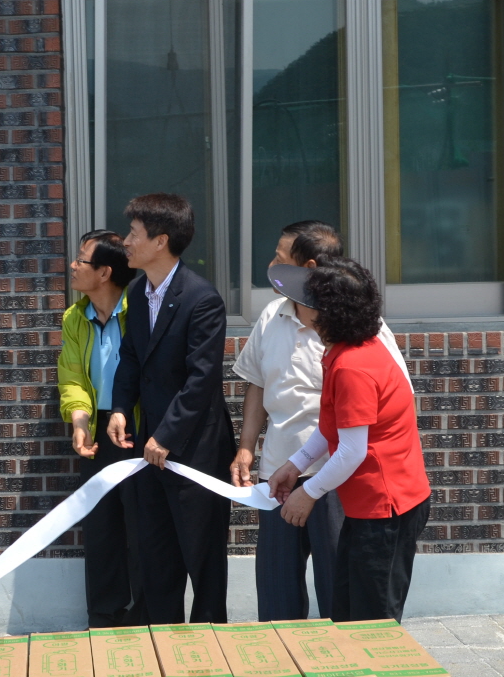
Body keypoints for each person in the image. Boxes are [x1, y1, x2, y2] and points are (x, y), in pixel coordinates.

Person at [231, 221, 410, 621]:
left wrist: (316, 485)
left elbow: (386, 407)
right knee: (277, 597)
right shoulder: (272, 315)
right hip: (280, 473)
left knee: (339, 596)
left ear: (307, 267)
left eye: (280, 258)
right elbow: (258, 385)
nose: (271, 265)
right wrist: (247, 448)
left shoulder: (359, 328)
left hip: (337, 478)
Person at [267, 258, 432, 623]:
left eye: (305, 302)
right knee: (347, 613)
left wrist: (308, 493)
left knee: (373, 621)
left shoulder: (352, 366)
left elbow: (352, 451)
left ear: (324, 314)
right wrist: (295, 465)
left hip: (386, 508)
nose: (296, 306)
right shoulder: (349, 350)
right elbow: (333, 427)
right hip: (371, 506)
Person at [108, 193, 237, 624]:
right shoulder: (136, 291)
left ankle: (209, 646)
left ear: (160, 241)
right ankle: (161, 642)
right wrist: (120, 408)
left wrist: (166, 435)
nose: (126, 242)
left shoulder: (202, 299)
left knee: (203, 558)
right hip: (150, 449)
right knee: (156, 555)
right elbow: (131, 357)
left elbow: (202, 379)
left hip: (195, 450)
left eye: (134, 234)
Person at [58, 229, 144, 627]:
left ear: (105, 272)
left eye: (81, 260)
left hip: (139, 429)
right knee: (101, 525)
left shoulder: (139, 311)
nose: (73, 266)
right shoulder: (75, 317)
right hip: (97, 430)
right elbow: (72, 377)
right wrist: (80, 421)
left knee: (143, 524)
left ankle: (146, 613)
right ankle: (105, 616)